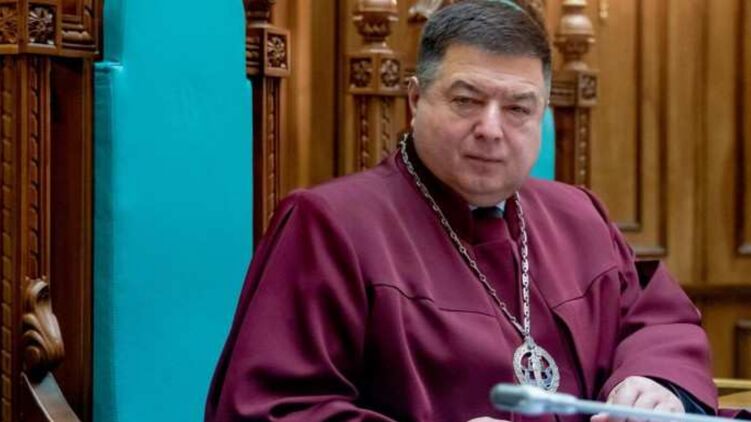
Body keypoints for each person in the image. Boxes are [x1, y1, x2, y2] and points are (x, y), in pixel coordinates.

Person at [205, 1, 718, 420]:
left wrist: (655, 380)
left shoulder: (578, 215)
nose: (491, 129)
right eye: (466, 100)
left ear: (541, 115)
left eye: (517, 108)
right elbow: (274, 410)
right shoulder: (329, 225)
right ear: (416, 100)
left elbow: (656, 321)